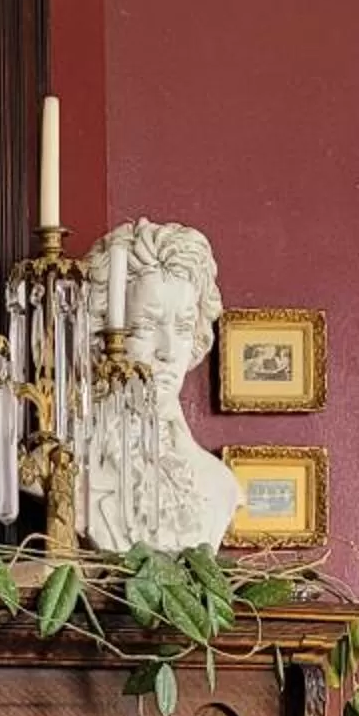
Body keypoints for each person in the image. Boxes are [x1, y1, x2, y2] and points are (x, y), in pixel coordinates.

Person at [82, 218, 241, 554]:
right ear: (101, 336)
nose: (168, 351)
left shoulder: (220, 485)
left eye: (183, 327)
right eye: (146, 325)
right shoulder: (65, 475)